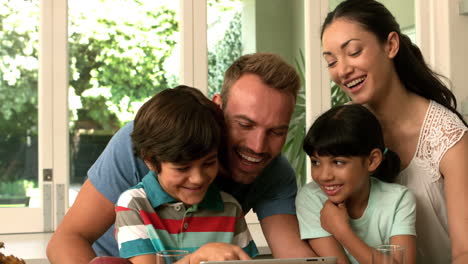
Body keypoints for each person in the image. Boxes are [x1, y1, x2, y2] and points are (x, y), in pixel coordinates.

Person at [46, 53, 316, 264]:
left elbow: (292, 253)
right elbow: (66, 240)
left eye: (276, 132)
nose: (258, 146)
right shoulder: (146, 141)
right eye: (244, 125)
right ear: (218, 106)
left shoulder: (273, 171)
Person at [319, 0, 468, 263]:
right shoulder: (347, 133)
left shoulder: (448, 138)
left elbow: (464, 252)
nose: (342, 70)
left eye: (353, 52)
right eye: (331, 62)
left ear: (390, 45)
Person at [114, 86, 258, 264]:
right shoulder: (134, 204)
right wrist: (196, 259)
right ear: (150, 160)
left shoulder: (231, 207)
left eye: (209, 163)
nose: (198, 178)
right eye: (182, 168)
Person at [296, 104, 416, 264]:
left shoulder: (399, 199)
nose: (324, 176)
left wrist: (342, 231)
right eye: (316, 162)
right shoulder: (311, 198)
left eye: (338, 162)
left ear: (372, 160)